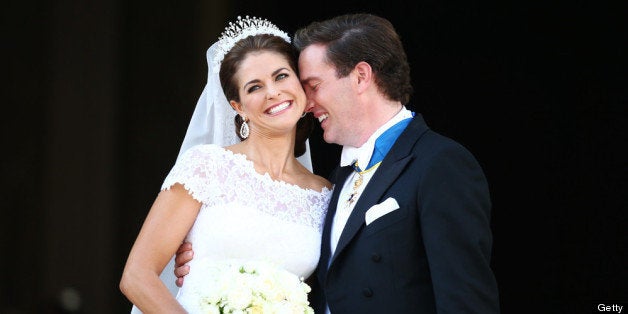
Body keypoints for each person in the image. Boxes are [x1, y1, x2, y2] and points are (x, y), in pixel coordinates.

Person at [175, 13, 500, 313]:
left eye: (313, 86)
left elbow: (465, 303)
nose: (306, 104)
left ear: (360, 76)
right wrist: (212, 259)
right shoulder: (335, 183)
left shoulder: (439, 165)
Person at [119, 16, 332, 313]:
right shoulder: (207, 167)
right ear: (239, 108)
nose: (272, 92)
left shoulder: (325, 195)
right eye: (254, 87)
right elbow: (137, 277)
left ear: (301, 84)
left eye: (281, 76)